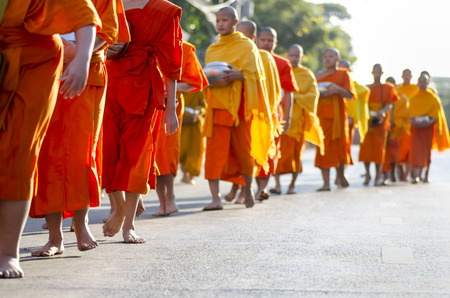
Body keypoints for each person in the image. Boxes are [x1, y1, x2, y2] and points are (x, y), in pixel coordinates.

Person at [0, 0, 100, 278]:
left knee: (18, 152)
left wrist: (81, 58)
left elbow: (82, 13)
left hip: (35, 62)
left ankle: (8, 252)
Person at [28, 0, 129, 257]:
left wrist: (78, 55)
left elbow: (109, 31)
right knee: (46, 154)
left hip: (88, 72)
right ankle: (54, 237)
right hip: (45, 67)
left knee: (81, 153)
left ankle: (81, 223)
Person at [102, 0, 182, 243]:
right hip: (107, 82)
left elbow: (172, 62)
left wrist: (171, 109)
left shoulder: (165, 11)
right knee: (107, 151)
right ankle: (118, 206)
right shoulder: (107, 3)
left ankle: (129, 225)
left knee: (137, 154)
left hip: (143, 87)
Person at [202, 7, 272, 210]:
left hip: (241, 109)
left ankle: (248, 188)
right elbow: (208, 75)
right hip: (218, 107)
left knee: (244, 151)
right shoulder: (213, 48)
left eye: (224, 20)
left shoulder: (247, 46)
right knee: (214, 154)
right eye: (217, 20)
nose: (220, 24)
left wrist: (239, 76)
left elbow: (257, 76)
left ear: (235, 21)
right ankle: (215, 198)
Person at [224, 20, 280, 203]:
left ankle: (244, 190)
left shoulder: (263, 56)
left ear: (251, 37)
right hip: (235, 108)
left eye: (243, 35)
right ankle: (237, 187)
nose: (239, 38)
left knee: (249, 152)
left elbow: (268, 87)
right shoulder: (235, 51)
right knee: (235, 152)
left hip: (256, 110)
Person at [153, 41, 208, 216]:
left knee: (168, 153)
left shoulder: (184, 48)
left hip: (171, 107)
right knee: (153, 155)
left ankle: (170, 198)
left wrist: (168, 88)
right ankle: (161, 202)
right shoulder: (149, 44)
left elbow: (195, 83)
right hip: (149, 106)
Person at [273, 44, 323, 194]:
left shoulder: (307, 75)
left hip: (297, 120)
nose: (294, 58)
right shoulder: (280, 69)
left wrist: (295, 98)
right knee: (277, 153)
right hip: (279, 118)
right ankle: (277, 185)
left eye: (297, 56)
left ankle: (292, 185)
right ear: (287, 56)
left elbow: (313, 96)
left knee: (296, 154)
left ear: (302, 57)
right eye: (292, 55)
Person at [256, 27, 298, 196]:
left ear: (275, 43)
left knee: (270, 151)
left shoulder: (282, 63)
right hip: (253, 111)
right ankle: (244, 188)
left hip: (274, 114)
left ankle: (261, 189)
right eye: (263, 40)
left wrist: (287, 118)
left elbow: (288, 93)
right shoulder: (251, 58)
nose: (266, 43)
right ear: (257, 40)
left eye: (270, 40)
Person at [315, 48, 355, 191]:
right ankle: (326, 183)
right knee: (323, 148)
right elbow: (312, 95)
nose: (327, 59)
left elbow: (350, 95)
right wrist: (322, 94)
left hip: (338, 117)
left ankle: (340, 176)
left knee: (339, 147)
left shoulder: (343, 75)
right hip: (322, 117)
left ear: (338, 59)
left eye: (331, 56)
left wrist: (337, 89)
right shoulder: (318, 75)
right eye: (325, 56)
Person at [358, 64, 398, 186]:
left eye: (378, 72)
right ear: (372, 73)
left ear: (382, 73)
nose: (377, 74)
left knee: (379, 149)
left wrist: (383, 112)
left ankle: (377, 175)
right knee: (366, 150)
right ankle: (368, 174)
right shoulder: (366, 88)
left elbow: (389, 103)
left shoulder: (387, 88)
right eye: (375, 72)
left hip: (380, 122)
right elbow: (361, 104)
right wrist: (368, 113)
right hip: (368, 121)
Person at [409, 73, 450, 183]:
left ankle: (425, 174)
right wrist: (414, 122)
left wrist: (427, 122)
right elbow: (410, 116)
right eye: (420, 82)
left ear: (428, 83)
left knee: (426, 152)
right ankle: (416, 175)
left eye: (424, 82)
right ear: (418, 83)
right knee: (415, 151)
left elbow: (436, 117)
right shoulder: (413, 98)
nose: (422, 84)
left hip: (427, 129)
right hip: (416, 129)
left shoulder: (433, 98)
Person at [380, 77, 409, 183]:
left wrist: (396, 124)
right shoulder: (382, 97)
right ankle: (385, 176)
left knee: (396, 155)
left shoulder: (402, 98)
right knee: (384, 155)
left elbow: (405, 115)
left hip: (397, 132)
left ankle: (397, 173)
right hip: (385, 131)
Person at [396, 69, 419, 181]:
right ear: (401, 76)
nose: (406, 77)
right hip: (400, 124)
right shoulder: (398, 89)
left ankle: (406, 174)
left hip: (412, 124)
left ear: (411, 76)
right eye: (404, 75)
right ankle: (400, 171)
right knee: (400, 150)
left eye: (408, 75)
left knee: (410, 150)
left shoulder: (416, 89)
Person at [179, 91, 206, 185]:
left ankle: (191, 175)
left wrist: (199, 112)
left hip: (195, 126)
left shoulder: (199, 90)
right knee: (181, 150)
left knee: (195, 150)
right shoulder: (179, 87)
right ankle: (185, 174)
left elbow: (204, 106)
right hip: (181, 124)